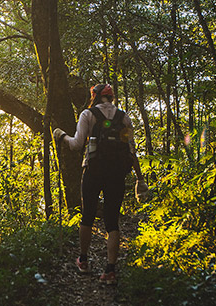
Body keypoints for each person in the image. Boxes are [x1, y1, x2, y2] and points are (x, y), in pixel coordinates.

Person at [53, 84, 147, 285]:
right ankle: (110, 270)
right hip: (116, 173)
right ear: (111, 97)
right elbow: (131, 150)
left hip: (93, 170)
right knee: (112, 221)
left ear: (94, 96)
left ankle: (84, 260)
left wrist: (61, 136)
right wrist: (140, 178)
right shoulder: (124, 117)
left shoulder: (88, 114)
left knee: (87, 216)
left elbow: (77, 144)